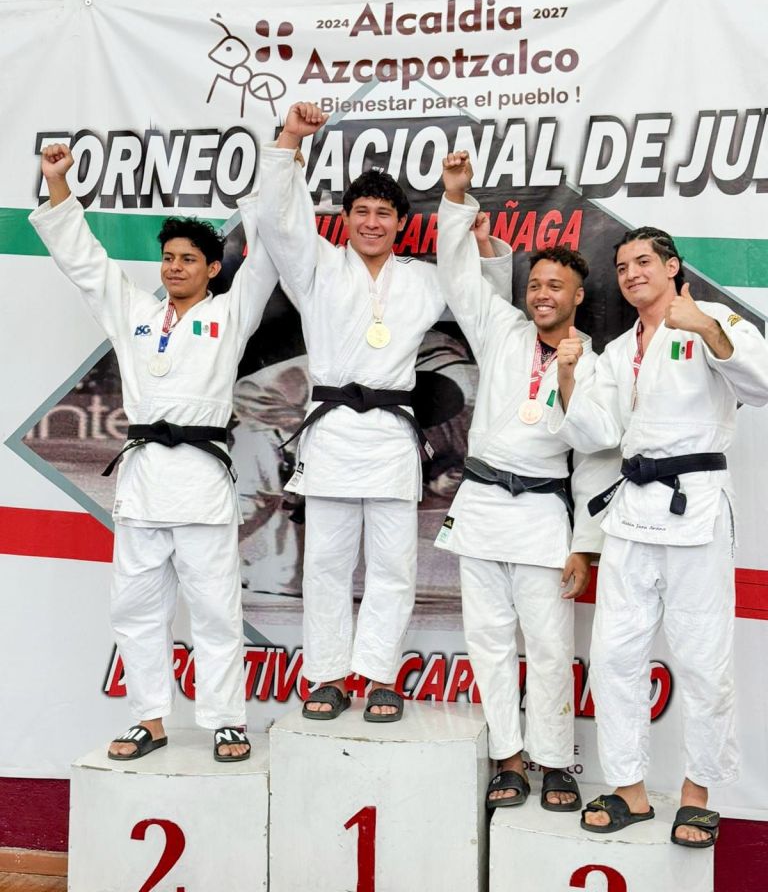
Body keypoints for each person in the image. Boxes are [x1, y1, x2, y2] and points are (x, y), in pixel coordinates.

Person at [248, 102, 511, 722]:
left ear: (400, 224)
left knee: (394, 565)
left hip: (392, 437)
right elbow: (280, 220)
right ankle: (327, 675)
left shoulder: (423, 279)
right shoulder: (315, 268)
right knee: (327, 565)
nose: (372, 222)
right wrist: (289, 139)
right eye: (361, 212)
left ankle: (378, 675)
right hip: (333, 433)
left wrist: (455, 199)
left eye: (384, 213)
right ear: (344, 219)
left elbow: (480, 293)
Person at [31, 144, 278, 762]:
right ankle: (149, 719)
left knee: (216, 610)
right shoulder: (136, 313)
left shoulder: (231, 314)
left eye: (188, 259)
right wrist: (57, 183)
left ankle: (226, 720)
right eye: (168, 258)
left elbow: (268, 262)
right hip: (143, 482)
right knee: (136, 608)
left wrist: (265, 190)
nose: (174, 267)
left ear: (213, 268)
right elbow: (86, 263)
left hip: (201, 483)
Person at [553, 226, 768, 846]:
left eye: (643, 261)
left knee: (703, 659)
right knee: (614, 656)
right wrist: (568, 378)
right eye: (622, 267)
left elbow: (759, 385)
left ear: (673, 266)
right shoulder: (620, 349)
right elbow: (596, 432)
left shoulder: (715, 318)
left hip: (696, 506)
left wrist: (706, 329)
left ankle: (698, 794)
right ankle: (630, 790)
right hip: (632, 511)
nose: (632, 274)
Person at [436, 150, 616, 812]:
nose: (542, 294)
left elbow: (597, 455)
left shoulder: (594, 363)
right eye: (535, 283)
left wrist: (585, 545)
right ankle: (508, 759)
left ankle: (555, 761)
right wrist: (456, 200)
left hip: (543, 514)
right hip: (483, 504)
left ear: (577, 297)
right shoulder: (501, 330)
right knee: (488, 644)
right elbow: (458, 277)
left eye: (555, 287)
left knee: (548, 647)